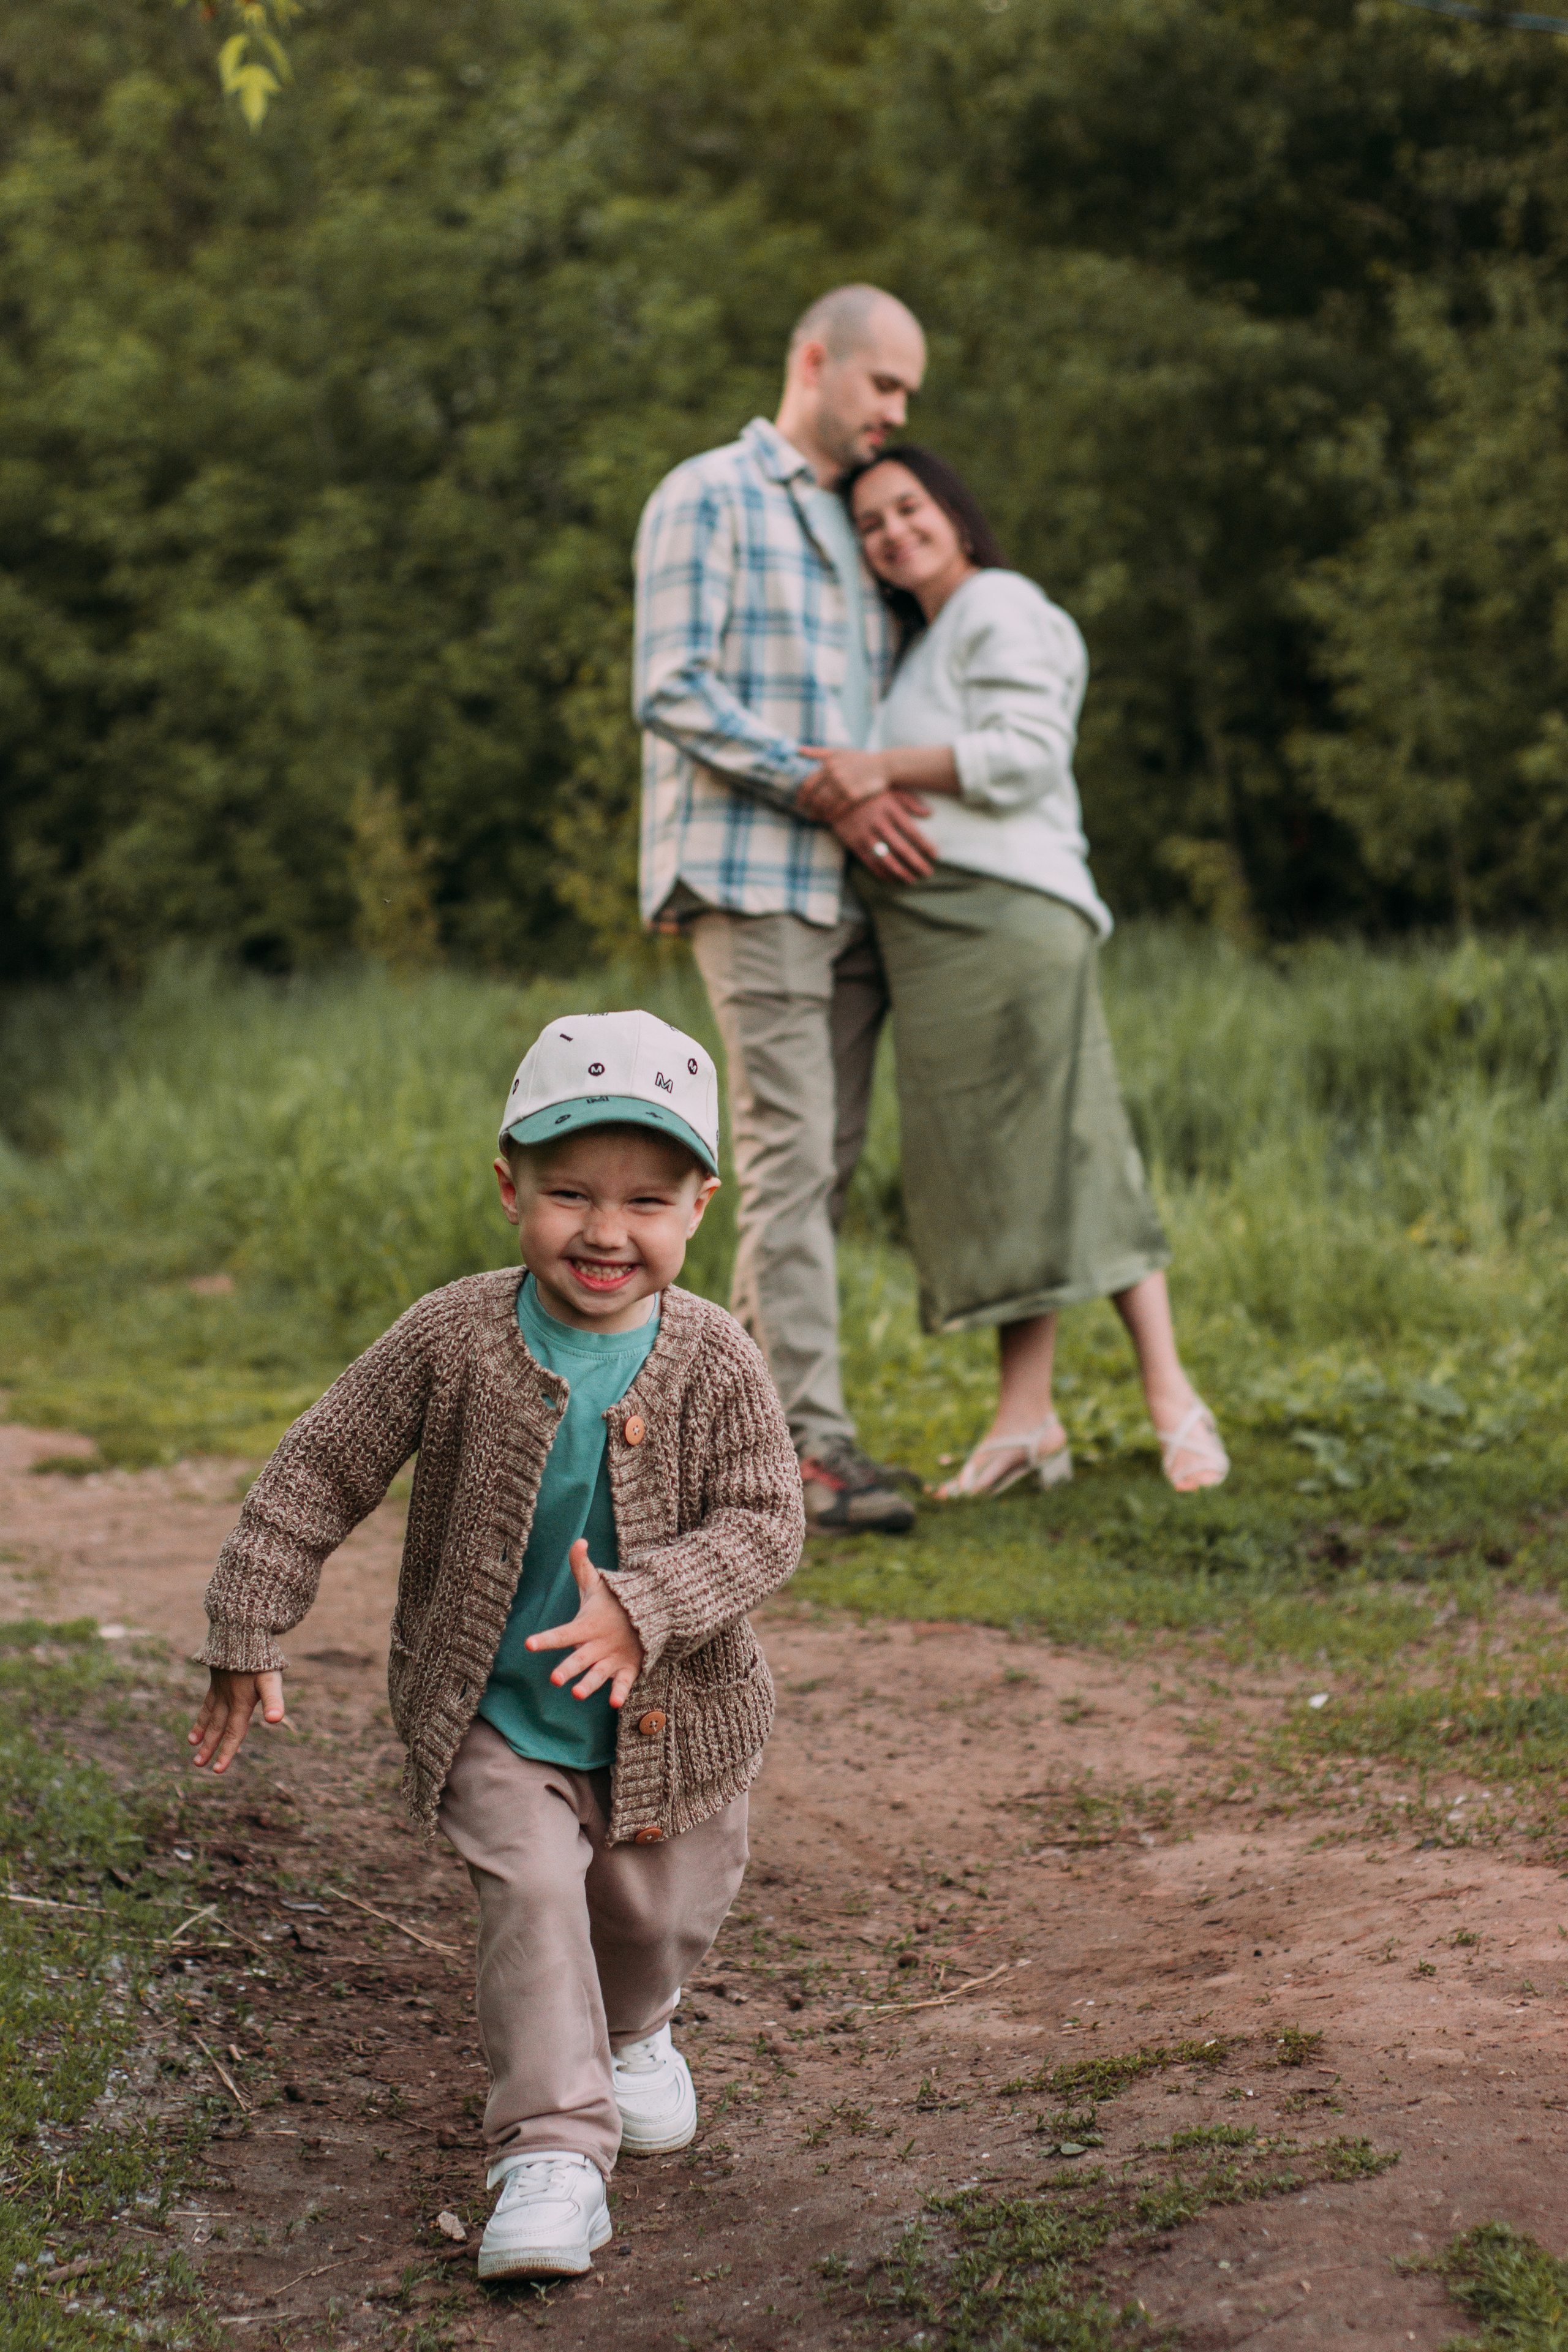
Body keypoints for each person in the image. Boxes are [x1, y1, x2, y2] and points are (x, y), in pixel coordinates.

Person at [184, 1010, 804, 2280]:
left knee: (651, 1918)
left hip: (671, 1722)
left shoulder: (715, 1361)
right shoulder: (453, 1337)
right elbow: (320, 1468)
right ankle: (550, 2155)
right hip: (495, 1714)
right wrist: (249, 1617)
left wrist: (654, 1601)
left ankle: (635, 2036)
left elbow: (766, 1522)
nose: (603, 1230)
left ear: (699, 1208)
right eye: (568, 1191)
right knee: (529, 1896)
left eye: (644, 1199)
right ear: (507, 1185)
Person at [798, 447, 1228, 1494]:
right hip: (937, 940)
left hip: (1009, 918)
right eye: (870, 524)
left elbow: (1028, 750)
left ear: (955, 511)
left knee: (1075, 1146)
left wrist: (878, 770)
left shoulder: (1000, 603)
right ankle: (1026, 1421)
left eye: (909, 509)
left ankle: (1173, 1396)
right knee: (999, 1171)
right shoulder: (925, 641)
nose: (892, 533)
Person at [634, 284, 933, 1536]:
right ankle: (807, 1450)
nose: (896, 415)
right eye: (884, 386)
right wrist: (819, 783)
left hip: (847, 891)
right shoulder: (708, 491)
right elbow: (673, 686)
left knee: (819, 1167)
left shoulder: (851, 525)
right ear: (816, 361)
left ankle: (738, 1444)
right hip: (751, 871)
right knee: (784, 1156)